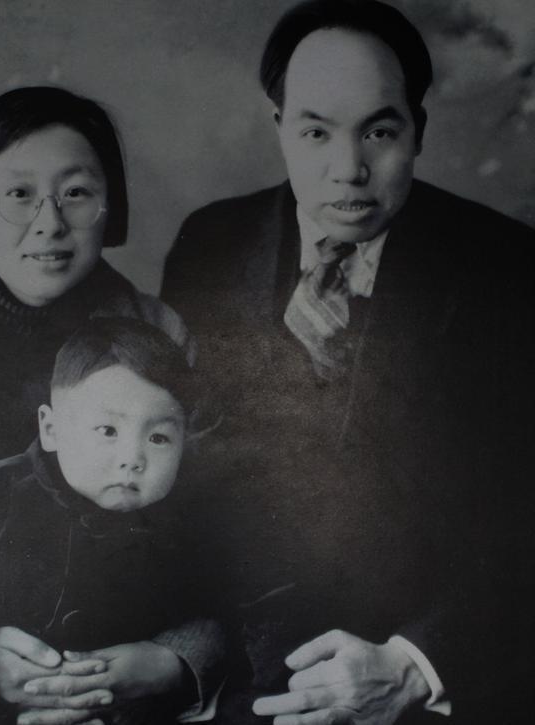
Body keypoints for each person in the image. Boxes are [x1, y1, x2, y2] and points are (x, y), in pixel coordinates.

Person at [162, 1, 534, 723]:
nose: (349, 170)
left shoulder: (511, 273)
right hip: (236, 684)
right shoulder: (208, 247)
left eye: (379, 132)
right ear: (280, 129)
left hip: (422, 691)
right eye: (316, 132)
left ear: (418, 130)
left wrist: (415, 667)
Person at [0, 87, 221, 724]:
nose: (49, 223)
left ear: (109, 208)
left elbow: (216, 537)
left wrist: (168, 662)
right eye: (19, 195)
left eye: (75, 192)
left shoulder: (167, 337)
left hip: (118, 678)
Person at [0, 316, 226, 725]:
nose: (132, 458)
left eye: (158, 437)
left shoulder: (191, 516)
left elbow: (225, 609)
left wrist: (173, 663)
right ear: (51, 429)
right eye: (108, 430)